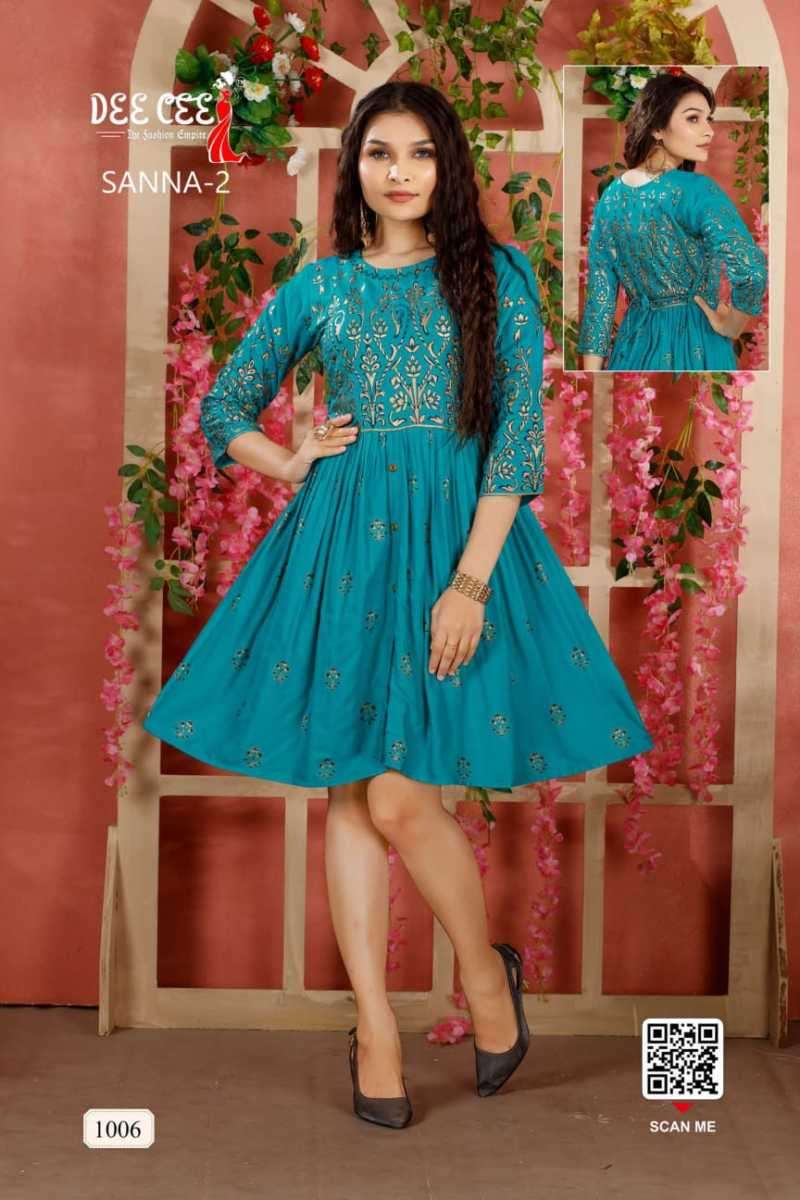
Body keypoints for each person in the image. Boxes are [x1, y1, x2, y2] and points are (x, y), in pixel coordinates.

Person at [143, 80, 653, 1128]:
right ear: (356, 169)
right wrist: (287, 460)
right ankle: (374, 1027)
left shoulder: (495, 277)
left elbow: (516, 442)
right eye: (380, 152)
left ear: (446, 165)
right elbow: (222, 405)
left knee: (397, 799)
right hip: (341, 549)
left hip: (456, 545)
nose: (401, 171)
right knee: (349, 792)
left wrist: (468, 582)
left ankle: (482, 977)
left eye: (420, 152)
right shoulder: (322, 285)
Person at [576, 70, 767, 372]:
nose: (709, 131)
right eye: (693, 119)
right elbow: (751, 271)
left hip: (632, 350)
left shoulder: (611, 197)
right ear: (657, 128)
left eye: (708, 119)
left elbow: (600, 301)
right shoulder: (696, 191)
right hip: (695, 343)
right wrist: (732, 324)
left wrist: (593, 377)